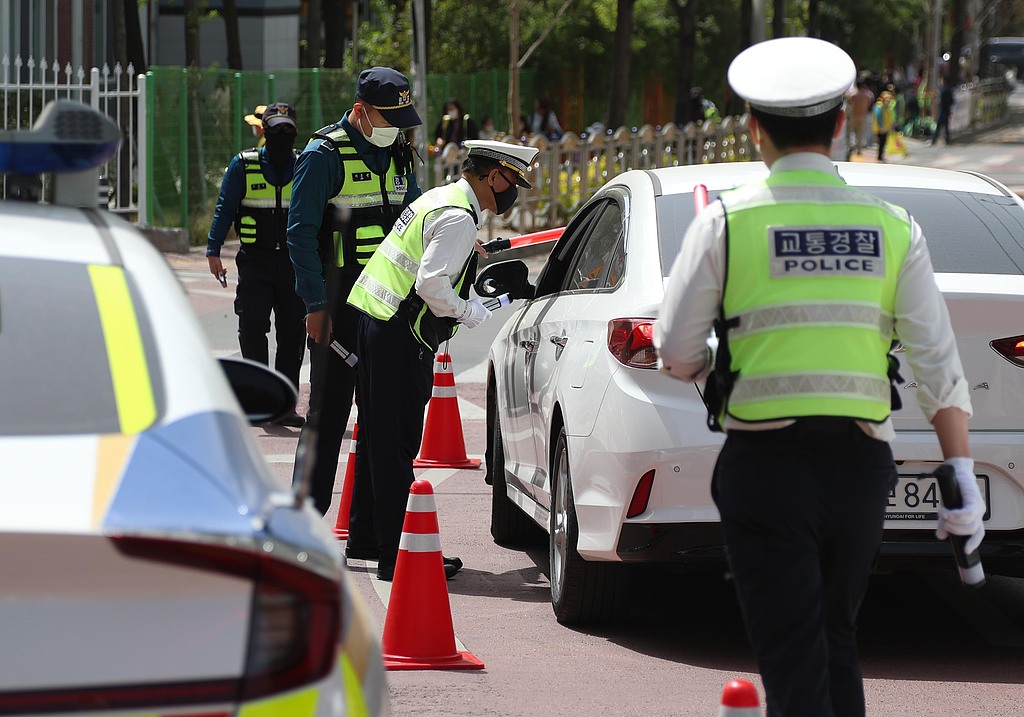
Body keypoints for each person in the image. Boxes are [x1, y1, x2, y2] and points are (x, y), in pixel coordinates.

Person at [654, 37, 984, 717]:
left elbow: (675, 354)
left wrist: (732, 354)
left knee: (793, 654)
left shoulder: (725, 222)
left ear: (752, 126)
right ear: (840, 124)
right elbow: (938, 369)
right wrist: (960, 477)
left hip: (767, 467)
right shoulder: (893, 227)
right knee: (834, 639)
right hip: (862, 470)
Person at [346, 139, 540, 582]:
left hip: (374, 320)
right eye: (512, 181)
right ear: (493, 175)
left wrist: (468, 251)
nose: (514, 192)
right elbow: (432, 286)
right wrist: (471, 311)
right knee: (397, 445)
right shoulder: (457, 216)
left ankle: (368, 536)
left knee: (377, 434)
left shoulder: (441, 199)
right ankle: (399, 556)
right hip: (400, 332)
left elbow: (424, 255)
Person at [286, 67, 423, 516]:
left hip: (388, 307)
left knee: (382, 421)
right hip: (339, 307)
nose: (397, 129)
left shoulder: (399, 151)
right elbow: (300, 234)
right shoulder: (323, 155)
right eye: (389, 119)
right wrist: (314, 305)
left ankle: (373, 535)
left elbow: (416, 216)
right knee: (326, 416)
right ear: (361, 112)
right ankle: (302, 527)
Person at [207, 102, 306, 428]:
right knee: (252, 329)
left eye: (287, 130)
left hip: (294, 265)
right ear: (264, 131)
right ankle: (256, 399)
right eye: (275, 129)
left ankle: (284, 403)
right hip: (255, 263)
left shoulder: (305, 164)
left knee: (293, 335)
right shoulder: (244, 165)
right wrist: (213, 249)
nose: (281, 135)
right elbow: (224, 209)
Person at [846, 80, 873, 155]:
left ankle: (849, 148)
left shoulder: (853, 95)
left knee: (850, 133)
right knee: (860, 134)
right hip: (862, 116)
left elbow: (849, 102)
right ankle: (859, 150)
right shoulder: (866, 96)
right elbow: (868, 105)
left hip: (854, 115)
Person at [872, 88, 897, 162]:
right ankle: (879, 157)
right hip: (881, 128)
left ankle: (881, 156)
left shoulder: (886, 107)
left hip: (885, 128)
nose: (888, 102)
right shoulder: (879, 106)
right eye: (887, 100)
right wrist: (882, 126)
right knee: (881, 142)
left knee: (883, 142)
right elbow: (879, 116)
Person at [931, 75, 955, 145]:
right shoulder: (948, 89)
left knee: (940, 125)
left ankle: (935, 139)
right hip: (946, 110)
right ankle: (947, 139)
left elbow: (939, 94)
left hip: (943, 110)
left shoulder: (944, 89)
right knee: (945, 125)